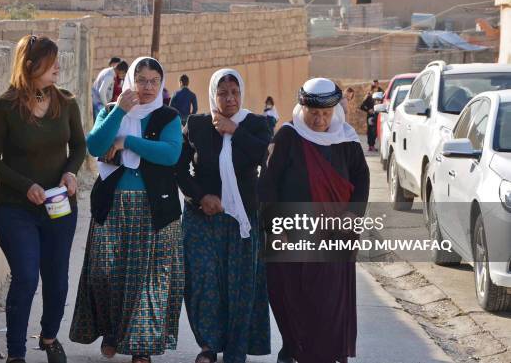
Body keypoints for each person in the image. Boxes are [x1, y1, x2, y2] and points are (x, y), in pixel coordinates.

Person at [70, 57, 184, 363]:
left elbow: (171, 153)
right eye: (141, 80)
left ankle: (141, 347)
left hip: (154, 209)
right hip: (113, 206)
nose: (146, 88)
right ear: (131, 81)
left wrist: (127, 141)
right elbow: (94, 146)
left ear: (161, 84)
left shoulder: (167, 117)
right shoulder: (111, 111)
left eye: (153, 82)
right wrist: (120, 110)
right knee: (107, 275)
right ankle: (111, 333)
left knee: (147, 279)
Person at [0, 35, 86, 363]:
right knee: (26, 275)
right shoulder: (3, 108)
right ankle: (15, 354)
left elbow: (79, 146)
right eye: (50, 61)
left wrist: (70, 173)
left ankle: (49, 336)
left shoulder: (66, 103)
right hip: (15, 208)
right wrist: (26, 185)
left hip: (58, 206)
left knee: (56, 279)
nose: (58, 66)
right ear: (30, 66)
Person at [259, 78, 369, 363]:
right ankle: (294, 345)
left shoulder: (346, 139)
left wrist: (352, 215)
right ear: (302, 108)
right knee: (290, 294)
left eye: (326, 114)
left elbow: (362, 179)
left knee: (329, 299)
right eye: (313, 113)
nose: (320, 120)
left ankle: (326, 353)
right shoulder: (288, 136)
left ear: (335, 111)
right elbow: (269, 185)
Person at [176, 69, 271, 363]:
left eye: (234, 92)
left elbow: (263, 156)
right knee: (201, 280)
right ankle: (208, 346)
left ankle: (235, 349)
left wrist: (234, 130)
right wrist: (199, 196)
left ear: (241, 94)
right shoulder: (197, 124)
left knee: (241, 284)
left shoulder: (257, 124)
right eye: (222, 92)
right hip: (202, 217)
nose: (229, 98)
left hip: (242, 219)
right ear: (213, 95)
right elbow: (179, 169)